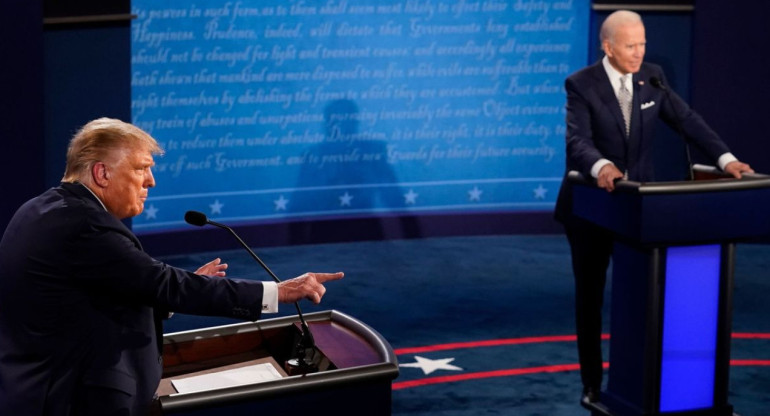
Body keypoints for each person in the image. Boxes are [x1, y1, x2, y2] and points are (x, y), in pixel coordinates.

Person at [0, 118, 344, 415]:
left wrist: (167, 293)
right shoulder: (86, 226)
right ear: (102, 173)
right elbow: (163, 283)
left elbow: (92, 297)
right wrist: (278, 292)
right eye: (141, 169)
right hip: (71, 401)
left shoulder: (39, 209)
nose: (150, 182)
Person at [553, 10, 753, 407]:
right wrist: (601, 166)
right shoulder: (582, 85)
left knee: (643, 298)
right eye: (630, 45)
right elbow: (577, 142)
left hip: (641, 212)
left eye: (642, 43)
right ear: (607, 47)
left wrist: (726, 159)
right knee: (590, 298)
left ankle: (642, 381)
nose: (639, 52)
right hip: (591, 209)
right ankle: (591, 383)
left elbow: (689, 122)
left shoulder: (653, 77)